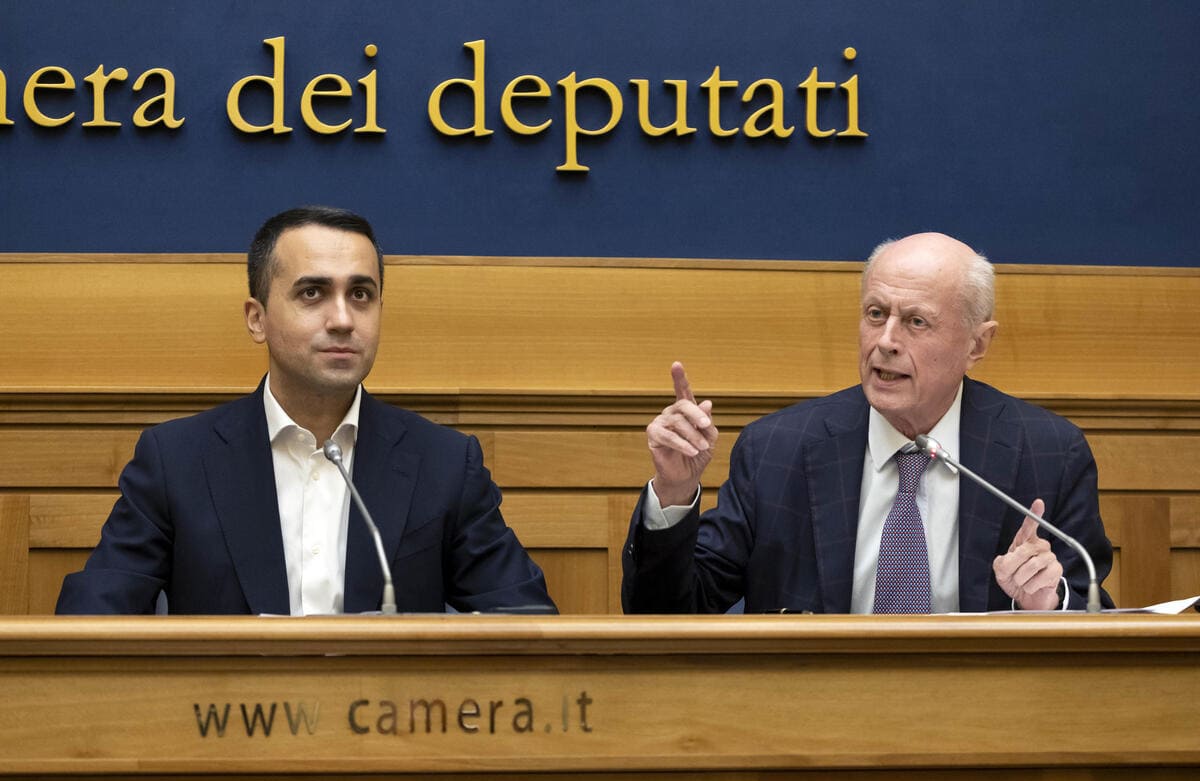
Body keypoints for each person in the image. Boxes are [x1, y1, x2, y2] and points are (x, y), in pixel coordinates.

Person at [57, 206, 556, 615]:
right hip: (225, 730)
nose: (342, 320)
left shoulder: (445, 463)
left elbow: (525, 621)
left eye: (361, 295)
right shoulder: (176, 461)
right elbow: (92, 622)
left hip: (390, 731)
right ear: (258, 319)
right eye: (312, 293)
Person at [623, 232, 1113, 614]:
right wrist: (673, 494)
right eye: (876, 314)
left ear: (976, 345)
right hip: (814, 723)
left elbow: (1095, 618)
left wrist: (1047, 602)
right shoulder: (776, 451)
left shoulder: (1048, 453)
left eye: (916, 322)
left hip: (984, 725)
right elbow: (666, 610)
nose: (886, 341)